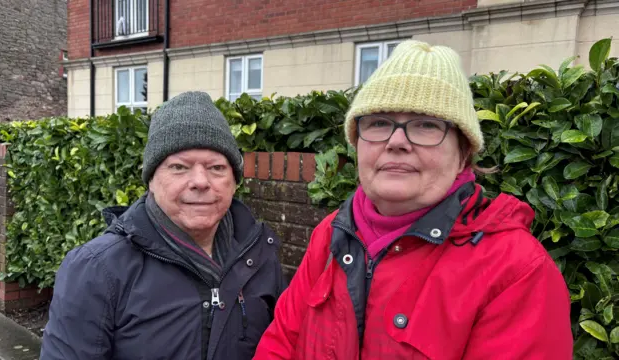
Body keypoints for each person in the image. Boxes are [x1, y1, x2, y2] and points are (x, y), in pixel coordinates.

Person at [253, 40, 573, 359]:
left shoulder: (516, 271)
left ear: (463, 153)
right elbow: (281, 342)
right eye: (379, 122)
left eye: (426, 125)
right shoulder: (331, 234)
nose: (396, 141)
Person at [40, 91, 287, 360]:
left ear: (234, 180)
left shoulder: (260, 255)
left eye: (216, 167)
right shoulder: (96, 268)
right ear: (151, 180)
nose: (201, 181)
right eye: (179, 167)